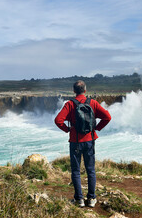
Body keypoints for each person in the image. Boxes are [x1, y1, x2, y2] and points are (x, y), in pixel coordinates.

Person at [54, 80, 111, 208]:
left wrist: (67, 129)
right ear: (85, 90)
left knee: (76, 170)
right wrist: (97, 128)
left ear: (74, 91)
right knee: (90, 170)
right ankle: (91, 199)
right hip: (90, 140)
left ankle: (79, 199)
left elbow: (58, 120)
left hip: (75, 141)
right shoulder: (93, 103)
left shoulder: (70, 104)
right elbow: (107, 117)